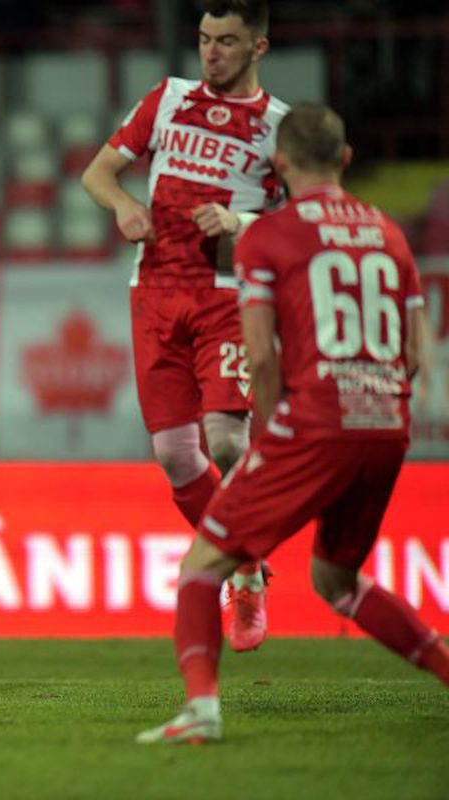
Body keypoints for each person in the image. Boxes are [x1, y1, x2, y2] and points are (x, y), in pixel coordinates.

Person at [137, 104, 449, 744]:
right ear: (346, 159)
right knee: (337, 580)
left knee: (202, 566)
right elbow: (418, 353)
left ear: (278, 164)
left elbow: (259, 356)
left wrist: (274, 433)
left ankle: (201, 712)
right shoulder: (390, 234)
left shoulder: (268, 236)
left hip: (313, 422)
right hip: (386, 425)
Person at [81, 0, 287, 652]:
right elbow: (97, 173)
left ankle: (244, 577)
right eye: (203, 39)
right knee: (174, 454)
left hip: (227, 294)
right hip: (155, 293)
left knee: (225, 442)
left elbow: (301, 220)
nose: (211, 52)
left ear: (257, 47)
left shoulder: (279, 126)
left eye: (226, 41)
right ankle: (245, 562)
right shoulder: (167, 100)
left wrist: (240, 223)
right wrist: (123, 206)